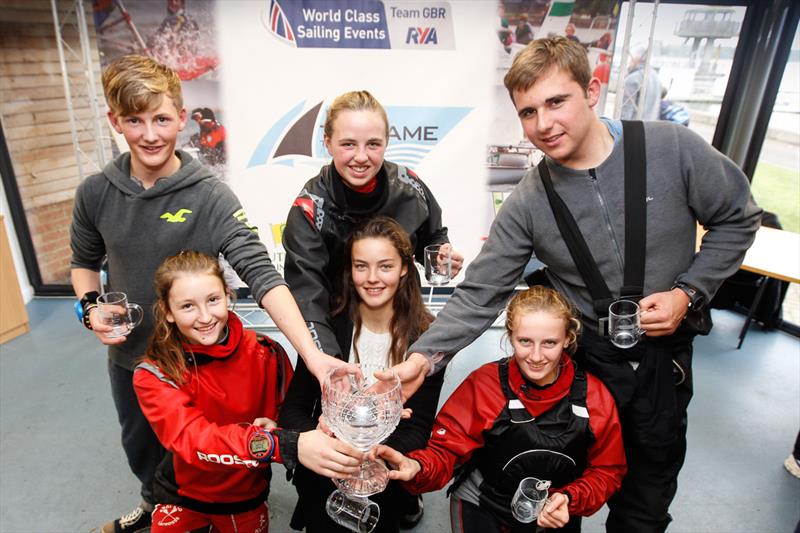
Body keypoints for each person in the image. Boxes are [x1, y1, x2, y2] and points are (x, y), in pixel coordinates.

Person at [391, 37, 761, 532]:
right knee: (563, 498)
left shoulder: (672, 148)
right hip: (586, 368)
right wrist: (423, 356)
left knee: (644, 506)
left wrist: (688, 292)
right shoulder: (527, 201)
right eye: (527, 112)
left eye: (555, 102)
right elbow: (482, 291)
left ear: (593, 90)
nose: (542, 124)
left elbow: (738, 219)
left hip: (662, 365)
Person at [70, 55, 340, 533]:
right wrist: (90, 307)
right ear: (115, 121)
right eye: (134, 121)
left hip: (200, 365)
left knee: (201, 448)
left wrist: (313, 356)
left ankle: (206, 509)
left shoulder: (210, 195)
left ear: (181, 115)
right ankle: (155, 507)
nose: (150, 134)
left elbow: (263, 275)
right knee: (144, 449)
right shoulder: (95, 193)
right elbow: (84, 264)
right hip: (133, 358)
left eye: (160, 118)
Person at [133, 251, 365, 532]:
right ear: (167, 312)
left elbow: (288, 414)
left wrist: (288, 426)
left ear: (228, 294)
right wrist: (283, 443)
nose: (205, 316)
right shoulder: (154, 373)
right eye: (187, 306)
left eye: (213, 300)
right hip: (184, 498)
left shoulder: (268, 351)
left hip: (248, 496)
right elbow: (194, 440)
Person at [374, 286, 625, 532]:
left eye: (549, 342)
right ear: (510, 335)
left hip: (554, 510)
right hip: (482, 506)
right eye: (525, 341)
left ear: (568, 339)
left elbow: (607, 471)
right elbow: (445, 451)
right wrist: (417, 466)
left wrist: (570, 498)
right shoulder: (486, 385)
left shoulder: (594, 397)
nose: (536, 356)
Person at [279, 216, 445, 532]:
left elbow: (419, 426)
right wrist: (320, 443)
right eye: (361, 266)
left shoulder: (427, 339)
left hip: (384, 487)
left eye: (385, 266)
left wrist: (376, 454)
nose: (372, 278)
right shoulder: (325, 329)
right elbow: (293, 412)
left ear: (404, 269)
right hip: (324, 479)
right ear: (350, 270)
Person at [283, 90, 463, 364]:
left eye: (373, 144)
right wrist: (331, 367)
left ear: (387, 143)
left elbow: (433, 239)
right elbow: (308, 302)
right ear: (327, 143)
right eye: (348, 144)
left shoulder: (409, 187)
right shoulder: (310, 209)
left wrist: (440, 260)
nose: (361, 157)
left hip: (404, 329)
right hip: (334, 337)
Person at [621, 46, 663, 121]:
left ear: (636, 58)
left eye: (631, 59)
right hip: (650, 128)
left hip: (635, 129)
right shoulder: (656, 78)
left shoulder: (632, 79)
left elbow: (625, 113)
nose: (629, 62)